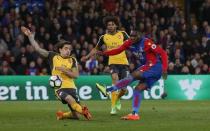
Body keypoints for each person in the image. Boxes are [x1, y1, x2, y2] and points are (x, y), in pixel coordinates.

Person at [21, 26, 92, 120]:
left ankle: (63, 115)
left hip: (71, 87)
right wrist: (30, 37)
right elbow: (38, 49)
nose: (68, 51)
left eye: (69, 49)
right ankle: (84, 111)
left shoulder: (73, 60)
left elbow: (76, 76)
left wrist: (64, 70)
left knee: (75, 116)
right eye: (66, 48)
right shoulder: (52, 56)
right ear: (60, 50)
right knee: (69, 99)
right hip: (59, 88)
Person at [96, 30, 168, 120]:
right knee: (138, 89)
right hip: (148, 68)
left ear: (139, 35)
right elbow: (118, 50)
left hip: (154, 66)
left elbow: (163, 53)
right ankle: (135, 114)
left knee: (134, 74)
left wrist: (165, 69)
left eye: (134, 36)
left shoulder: (147, 42)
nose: (132, 38)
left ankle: (108, 90)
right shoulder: (128, 43)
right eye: (131, 36)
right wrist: (104, 53)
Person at [81, 16, 130, 115]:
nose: (110, 26)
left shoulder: (123, 34)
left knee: (124, 89)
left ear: (116, 25)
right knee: (114, 79)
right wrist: (87, 56)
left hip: (124, 63)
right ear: (106, 27)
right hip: (112, 62)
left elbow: (132, 43)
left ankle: (117, 99)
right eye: (108, 25)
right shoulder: (104, 37)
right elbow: (95, 49)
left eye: (112, 24)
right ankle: (113, 108)